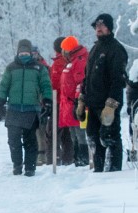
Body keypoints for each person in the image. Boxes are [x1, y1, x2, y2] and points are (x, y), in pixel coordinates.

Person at [76, 13, 128, 172]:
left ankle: (113, 175)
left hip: (107, 105)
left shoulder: (116, 49)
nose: (98, 28)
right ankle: (99, 171)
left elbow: (118, 81)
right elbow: (88, 76)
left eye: (102, 25)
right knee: (93, 138)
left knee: (109, 139)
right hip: (92, 103)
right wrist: (82, 99)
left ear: (109, 27)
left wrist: (111, 105)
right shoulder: (95, 48)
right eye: (96, 25)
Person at [0, 39, 53, 176]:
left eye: (26, 52)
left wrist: (47, 100)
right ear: (18, 52)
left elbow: (46, 85)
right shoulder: (11, 68)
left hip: (31, 109)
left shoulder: (39, 68)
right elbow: (4, 85)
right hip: (14, 109)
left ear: (31, 52)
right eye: (21, 52)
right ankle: (17, 164)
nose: (24, 55)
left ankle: (30, 167)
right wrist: (0, 101)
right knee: (13, 140)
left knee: (30, 140)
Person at [59, 36, 90, 167]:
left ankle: (83, 159)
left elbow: (81, 82)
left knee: (80, 133)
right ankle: (78, 158)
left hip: (77, 103)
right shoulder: (72, 60)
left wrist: (78, 99)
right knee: (74, 134)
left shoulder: (79, 60)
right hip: (70, 103)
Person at [46, 36, 73, 165]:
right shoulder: (69, 60)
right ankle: (68, 158)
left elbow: (55, 84)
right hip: (67, 101)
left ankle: (53, 159)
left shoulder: (58, 63)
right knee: (67, 133)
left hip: (59, 102)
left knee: (53, 132)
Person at [32, 46, 50, 166]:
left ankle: (42, 156)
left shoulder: (44, 67)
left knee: (41, 131)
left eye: (35, 53)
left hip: (42, 103)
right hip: (33, 103)